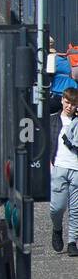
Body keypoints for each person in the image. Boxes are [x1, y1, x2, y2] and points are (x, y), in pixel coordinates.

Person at [48, 88, 78, 254]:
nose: (69, 107)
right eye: (67, 102)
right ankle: (57, 228)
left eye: (73, 104)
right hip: (58, 167)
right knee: (57, 208)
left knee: (75, 208)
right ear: (62, 101)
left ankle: (72, 241)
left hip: (76, 168)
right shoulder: (52, 121)